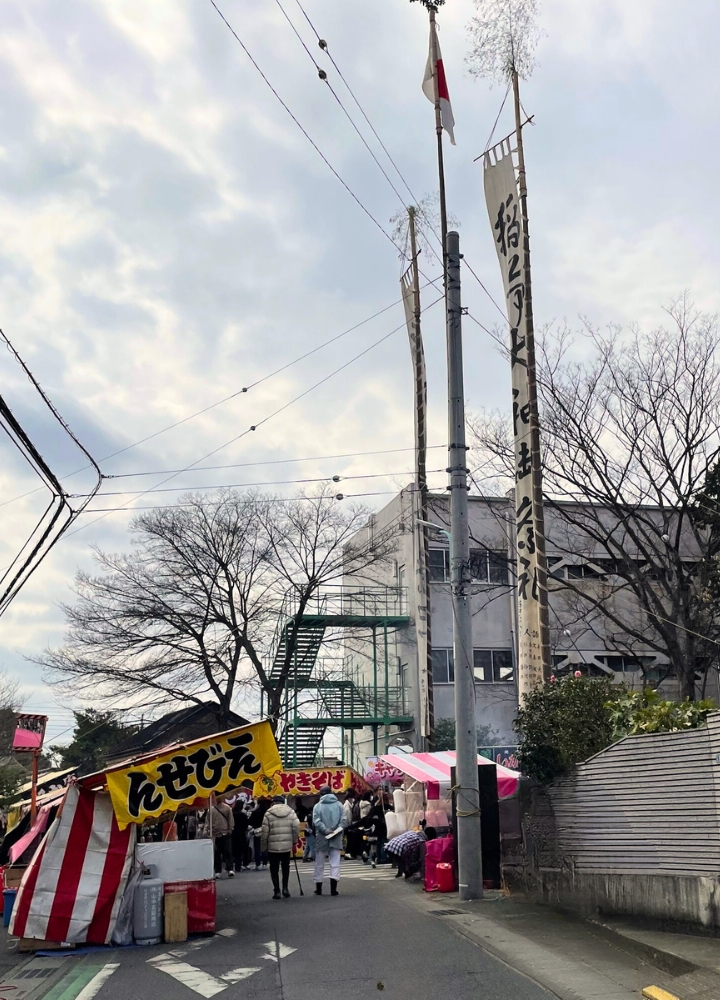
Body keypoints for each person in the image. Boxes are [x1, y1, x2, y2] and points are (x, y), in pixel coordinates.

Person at [261, 795, 300, 899]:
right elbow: (296, 826)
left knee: (274, 869)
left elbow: (265, 832)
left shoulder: (268, 813)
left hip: (272, 846)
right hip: (286, 846)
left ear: (273, 803)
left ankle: (277, 890)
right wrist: (294, 841)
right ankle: (285, 888)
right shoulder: (291, 812)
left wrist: (263, 847)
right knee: (285, 867)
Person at [312, 785, 347, 896]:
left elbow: (316, 822)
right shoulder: (340, 805)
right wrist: (336, 830)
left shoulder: (317, 806)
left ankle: (319, 888)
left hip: (322, 837)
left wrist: (325, 830)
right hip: (336, 837)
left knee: (319, 863)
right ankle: (333, 889)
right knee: (335, 862)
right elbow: (344, 821)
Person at [204, 798, 235, 878]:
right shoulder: (210, 809)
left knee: (228, 851)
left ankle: (230, 869)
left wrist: (230, 830)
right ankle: (218, 870)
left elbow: (230, 820)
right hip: (215, 834)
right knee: (217, 853)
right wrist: (206, 829)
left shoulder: (227, 808)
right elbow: (207, 821)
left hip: (225, 832)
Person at [249, 799, 270, 870]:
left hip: (257, 832)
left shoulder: (255, 812)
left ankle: (258, 864)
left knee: (257, 848)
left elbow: (250, 822)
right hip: (265, 831)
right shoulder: (267, 812)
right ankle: (265, 863)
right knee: (264, 848)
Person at [232, 798, 251, 871]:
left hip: (233, 834)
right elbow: (246, 825)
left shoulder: (232, 814)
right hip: (242, 834)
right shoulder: (242, 815)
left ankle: (237, 866)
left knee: (237, 852)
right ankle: (245, 864)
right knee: (245, 850)